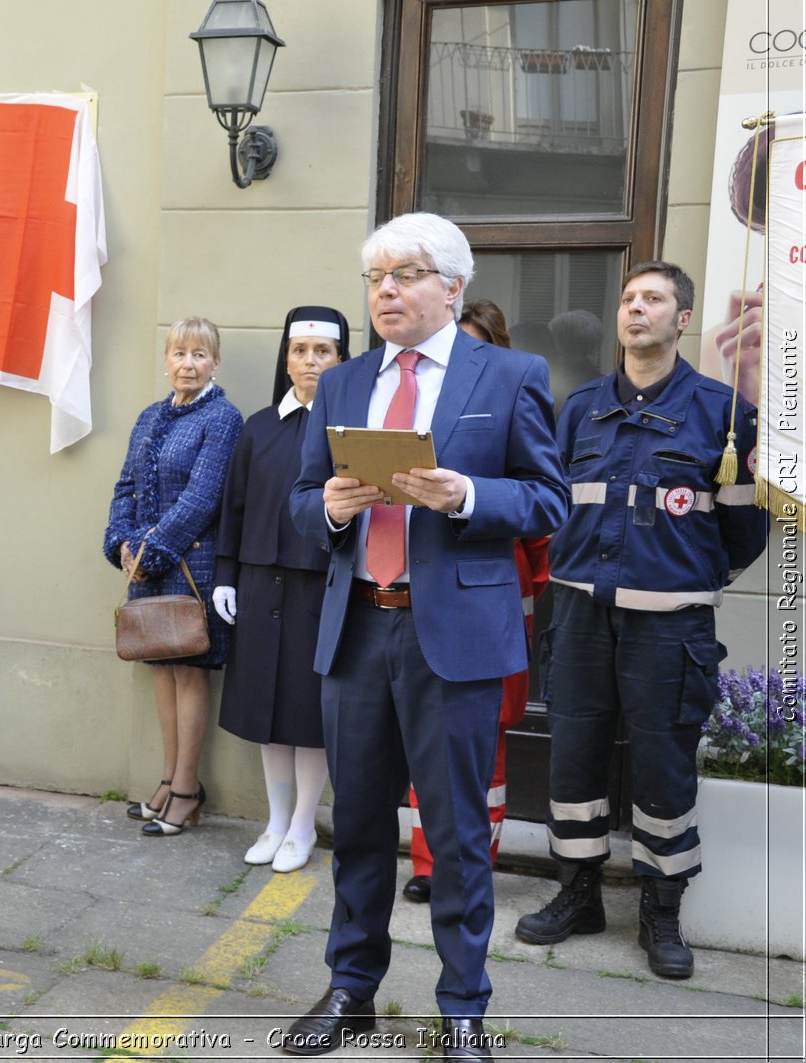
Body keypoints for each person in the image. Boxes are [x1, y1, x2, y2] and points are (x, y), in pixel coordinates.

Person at [286, 213, 567, 1060]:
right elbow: (302, 503)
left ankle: (463, 1010)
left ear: (451, 286)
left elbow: (548, 503)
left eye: (404, 274)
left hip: (455, 637)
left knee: (454, 835)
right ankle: (350, 989)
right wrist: (328, 510)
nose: (385, 291)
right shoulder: (343, 383)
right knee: (360, 824)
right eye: (375, 276)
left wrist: (468, 498)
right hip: (359, 630)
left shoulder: (510, 375)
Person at [515, 261, 769, 980]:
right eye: (628, 298)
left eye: (653, 299)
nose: (636, 309)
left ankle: (661, 911)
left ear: (682, 319)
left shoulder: (723, 413)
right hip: (580, 616)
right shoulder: (581, 406)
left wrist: (681, 582)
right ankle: (579, 893)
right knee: (575, 754)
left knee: (663, 765)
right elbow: (553, 504)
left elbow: (744, 531)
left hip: (670, 627)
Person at [401, 299, 551, 904]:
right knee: (422, 739)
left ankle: (472, 863)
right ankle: (427, 861)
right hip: (423, 597)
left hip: (493, 603)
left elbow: (541, 530)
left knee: (484, 745)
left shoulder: (514, 400)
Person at [213, 306, 349, 871]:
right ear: (285, 358)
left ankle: (302, 826)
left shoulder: (347, 430)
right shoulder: (258, 427)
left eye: (322, 352)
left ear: (341, 359)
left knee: (307, 712)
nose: (309, 362)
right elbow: (233, 508)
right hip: (257, 583)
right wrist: (225, 574)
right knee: (266, 711)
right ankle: (274, 820)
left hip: (319, 588)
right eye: (299, 351)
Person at [104, 317, 243, 838]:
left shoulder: (223, 418)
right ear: (166, 360)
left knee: (189, 672)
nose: (188, 363)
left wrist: (151, 549)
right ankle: (168, 780)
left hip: (194, 566)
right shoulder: (148, 416)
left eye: (199, 355)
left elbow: (204, 498)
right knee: (160, 671)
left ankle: (187, 790)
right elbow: (125, 485)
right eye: (179, 353)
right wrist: (120, 541)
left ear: (215, 363)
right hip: (145, 565)